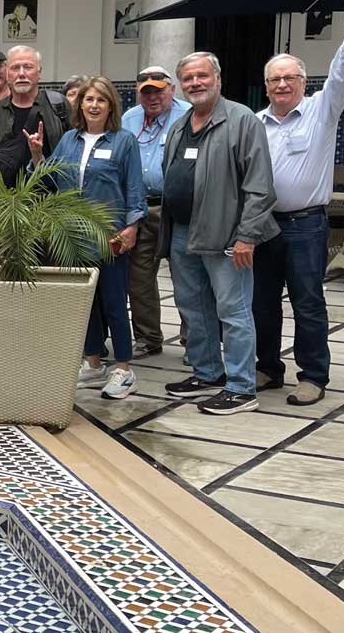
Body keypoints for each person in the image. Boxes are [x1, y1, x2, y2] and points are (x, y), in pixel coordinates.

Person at [253, 0, 344, 407]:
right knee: (262, 303)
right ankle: (268, 367)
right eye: (275, 79)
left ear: (304, 82)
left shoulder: (322, 110)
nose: (282, 84)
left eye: (290, 78)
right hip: (264, 227)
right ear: (266, 86)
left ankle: (313, 375)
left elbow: (342, 75)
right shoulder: (254, 123)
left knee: (308, 303)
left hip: (307, 225)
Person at [160, 51, 278, 416]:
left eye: (202, 76)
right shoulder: (180, 125)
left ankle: (241, 387)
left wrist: (247, 236)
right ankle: (208, 373)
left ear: (218, 79)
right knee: (193, 307)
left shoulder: (242, 121)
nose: (195, 83)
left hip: (227, 236)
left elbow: (260, 187)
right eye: (188, 78)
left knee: (233, 310)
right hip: (183, 232)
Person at [51, 77, 146, 400]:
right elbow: (50, 177)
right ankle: (93, 364)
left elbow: (134, 187)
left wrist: (132, 227)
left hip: (110, 237)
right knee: (85, 305)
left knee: (114, 303)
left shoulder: (124, 141)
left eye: (100, 100)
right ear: (80, 105)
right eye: (88, 99)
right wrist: (36, 155)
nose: (93, 105)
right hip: (74, 238)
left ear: (111, 106)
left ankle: (124, 369)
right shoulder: (68, 139)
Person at [120, 65, 191, 359]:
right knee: (139, 278)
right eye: (146, 92)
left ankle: (194, 340)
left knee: (186, 275)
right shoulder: (129, 118)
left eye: (159, 91)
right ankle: (148, 338)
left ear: (171, 89)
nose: (153, 98)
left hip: (178, 206)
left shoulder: (188, 115)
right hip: (140, 206)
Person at [0, 45, 63, 186]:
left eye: (28, 67)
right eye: (15, 68)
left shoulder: (58, 107)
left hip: (51, 197)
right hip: (2, 197)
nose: (21, 74)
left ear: (39, 72)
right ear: (7, 74)